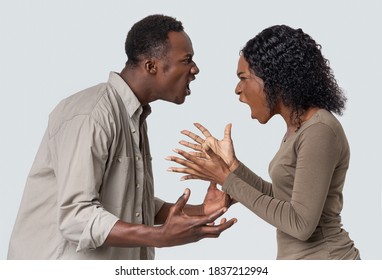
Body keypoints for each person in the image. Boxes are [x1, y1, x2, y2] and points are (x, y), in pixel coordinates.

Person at [7, 14, 236, 260]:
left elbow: (130, 203)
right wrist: (159, 236)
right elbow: (76, 216)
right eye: (187, 60)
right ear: (151, 66)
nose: (195, 69)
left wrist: (202, 211)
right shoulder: (91, 114)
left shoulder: (132, 115)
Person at [167, 25, 360, 259]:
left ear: (273, 79)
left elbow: (300, 223)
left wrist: (226, 179)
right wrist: (233, 167)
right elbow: (284, 199)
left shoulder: (319, 130)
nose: (238, 89)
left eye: (243, 78)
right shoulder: (298, 129)